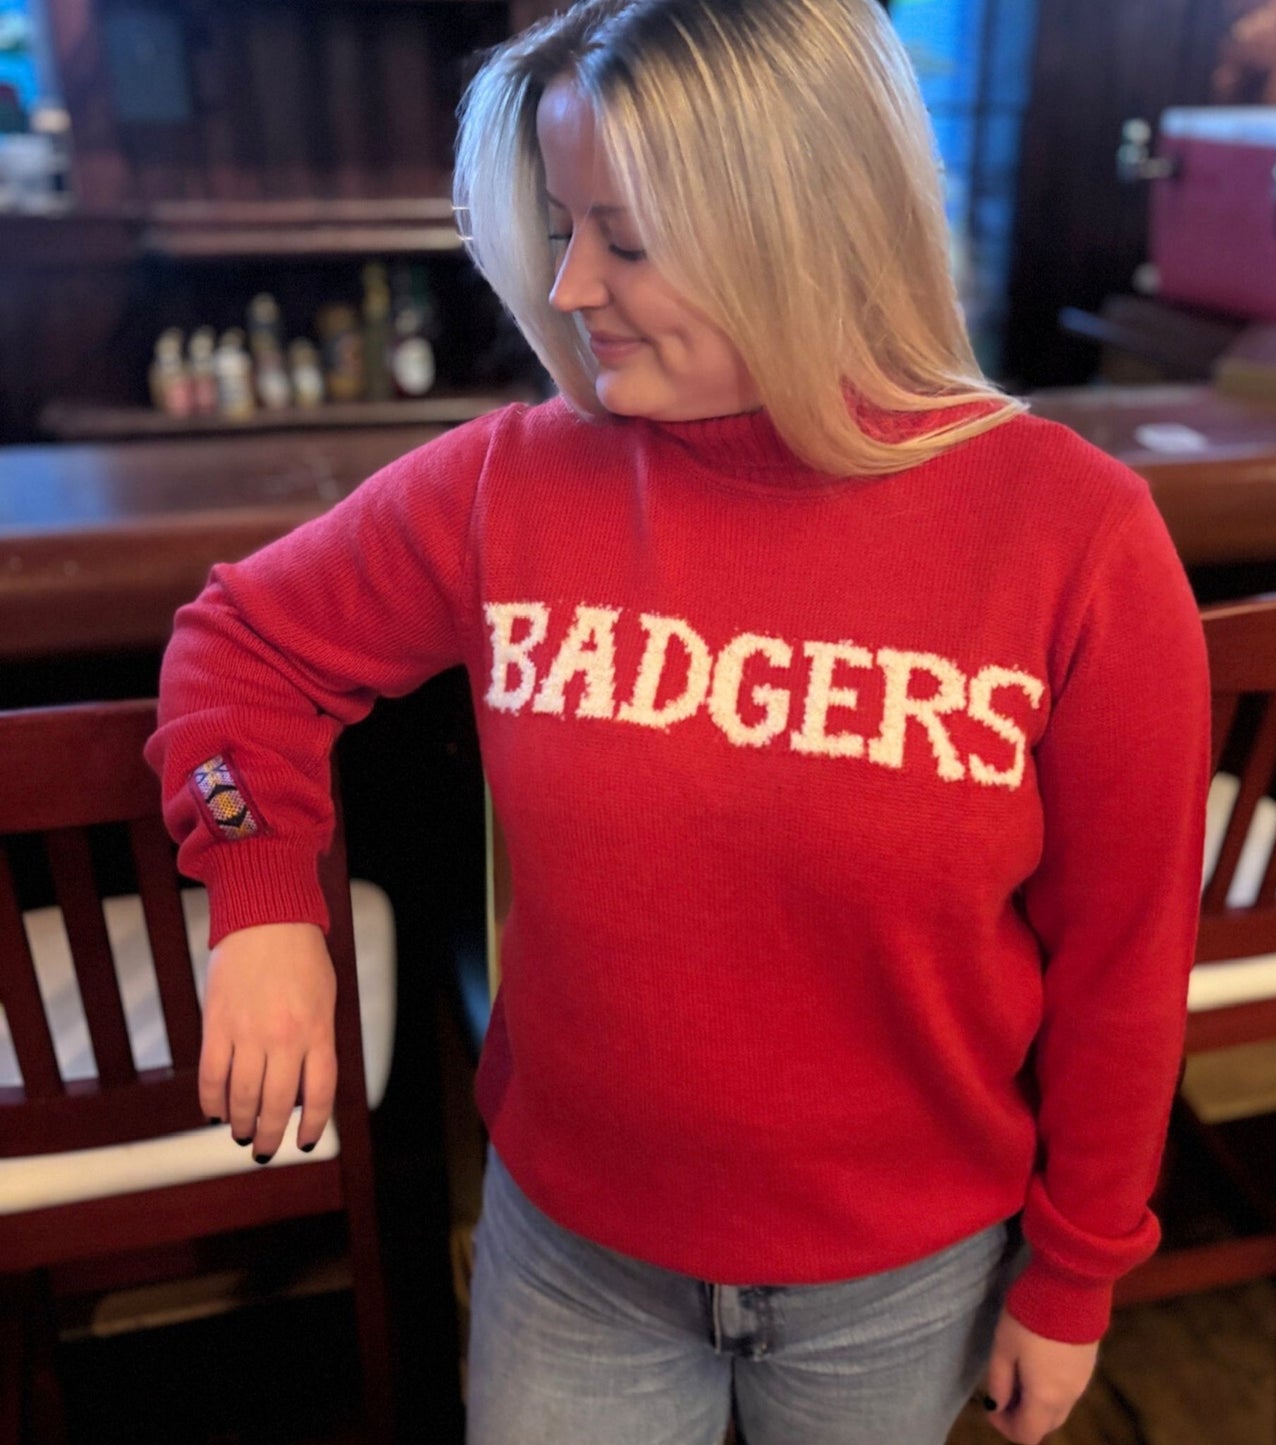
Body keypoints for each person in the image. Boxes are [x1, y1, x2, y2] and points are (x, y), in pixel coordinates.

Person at [145, 1, 1211, 1442]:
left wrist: (1076, 1272)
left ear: (800, 222)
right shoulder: (508, 482)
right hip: (572, 1252)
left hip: (901, 1280)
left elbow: (1123, 960)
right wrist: (261, 894)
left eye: (625, 238)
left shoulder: (1075, 537)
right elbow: (240, 644)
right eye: (561, 221)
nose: (571, 281)